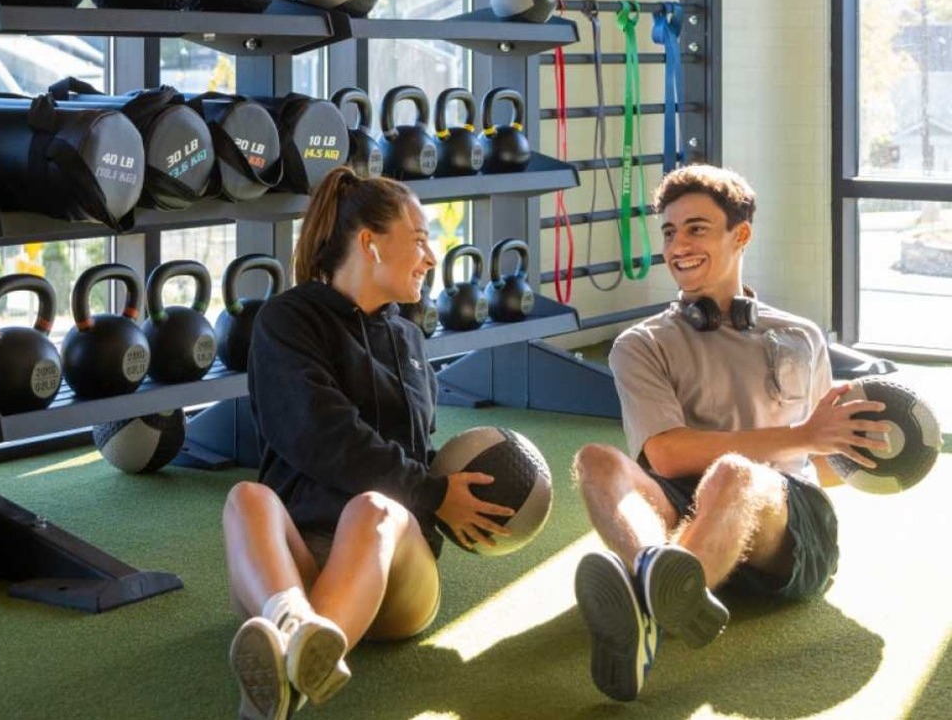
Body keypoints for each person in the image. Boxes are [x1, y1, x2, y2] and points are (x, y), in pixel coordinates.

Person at [572, 163, 891, 703]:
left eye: (696, 227)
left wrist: (865, 451)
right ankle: (662, 580)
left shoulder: (800, 333)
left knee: (738, 474)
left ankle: (645, 604)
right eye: (670, 231)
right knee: (597, 460)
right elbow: (667, 457)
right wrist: (804, 435)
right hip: (684, 505)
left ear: (739, 234)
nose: (678, 245)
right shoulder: (640, 344)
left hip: (785, 523)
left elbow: (825, 463)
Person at [222, 167, 514, 720]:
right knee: (248, 498)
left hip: (392, 571)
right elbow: (319, 433)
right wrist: (431, 489)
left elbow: (416, 450)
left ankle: (288, 665)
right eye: (421, 240)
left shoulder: (408, 334)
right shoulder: (286, 321)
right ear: (369, 244)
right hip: (296, 565)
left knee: (374, 509)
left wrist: (440, 492)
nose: (431, 257)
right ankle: (295, 631)